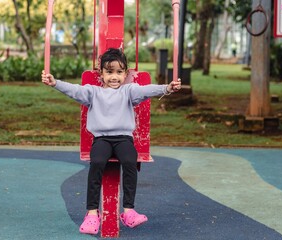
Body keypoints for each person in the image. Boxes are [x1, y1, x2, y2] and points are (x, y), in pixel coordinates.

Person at [41, 48, 181, 235]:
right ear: (101, 74)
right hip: (102, 139)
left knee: (130, 162)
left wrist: (167, 88)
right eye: (109, 72)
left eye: (119, 72)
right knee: (97, 162)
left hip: (123, 138)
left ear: (125, 73)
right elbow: (74, 90)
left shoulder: (129, 91)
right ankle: (92, 213)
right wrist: (55, 83)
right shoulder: (93, 93)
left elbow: (147, 90)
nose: (114, 77)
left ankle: (128, 211)